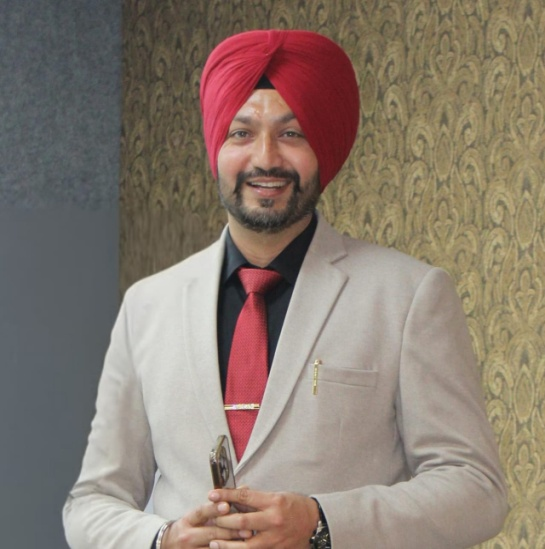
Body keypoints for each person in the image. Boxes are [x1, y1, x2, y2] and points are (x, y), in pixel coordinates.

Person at [63, 30, 508, 549]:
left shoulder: (409, 296)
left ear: (324, 147)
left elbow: (476, 490)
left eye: (292, 133)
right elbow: (92, 502)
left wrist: (321, 522)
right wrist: (164, 539)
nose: (266, 159)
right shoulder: (148, 304)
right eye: (241, 133)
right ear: (216, 146)